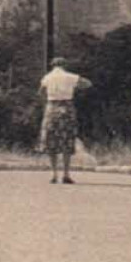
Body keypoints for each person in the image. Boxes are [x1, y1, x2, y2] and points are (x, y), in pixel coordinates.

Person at [37, 56, 91, 184]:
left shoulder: (47, 77)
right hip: (67, 106)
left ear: (52, 65)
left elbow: (40, 92)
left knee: (50, 140)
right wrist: (75, 88)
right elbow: (88, 83)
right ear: (64, 65)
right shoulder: (70, 76)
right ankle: (66, 173)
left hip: (51, 107)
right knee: (67, 140)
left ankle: (54, 173)